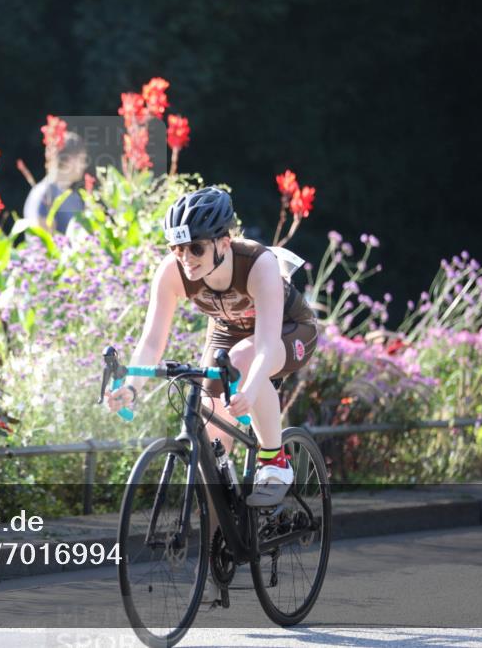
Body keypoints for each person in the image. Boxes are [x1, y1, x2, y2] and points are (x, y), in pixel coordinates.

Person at [104, 186, 318, 506]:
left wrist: (251, 387)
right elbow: (151, 341)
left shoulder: (258, 263)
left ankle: (275, 462)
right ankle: (225, 532)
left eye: (196, 248)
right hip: (228, 332)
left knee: (243, 359)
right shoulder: (173, 272)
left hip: (288, 330)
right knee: (210, 438)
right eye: (178, 248)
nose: (186, 258)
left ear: (224, 243)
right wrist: (132, 388)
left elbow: (265, 344)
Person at [23, 132, 89, 234]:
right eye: (82, 159)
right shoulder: (43, 194)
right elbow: (40, 241)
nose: (84, 165)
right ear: (70, 159)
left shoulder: (74, 198)